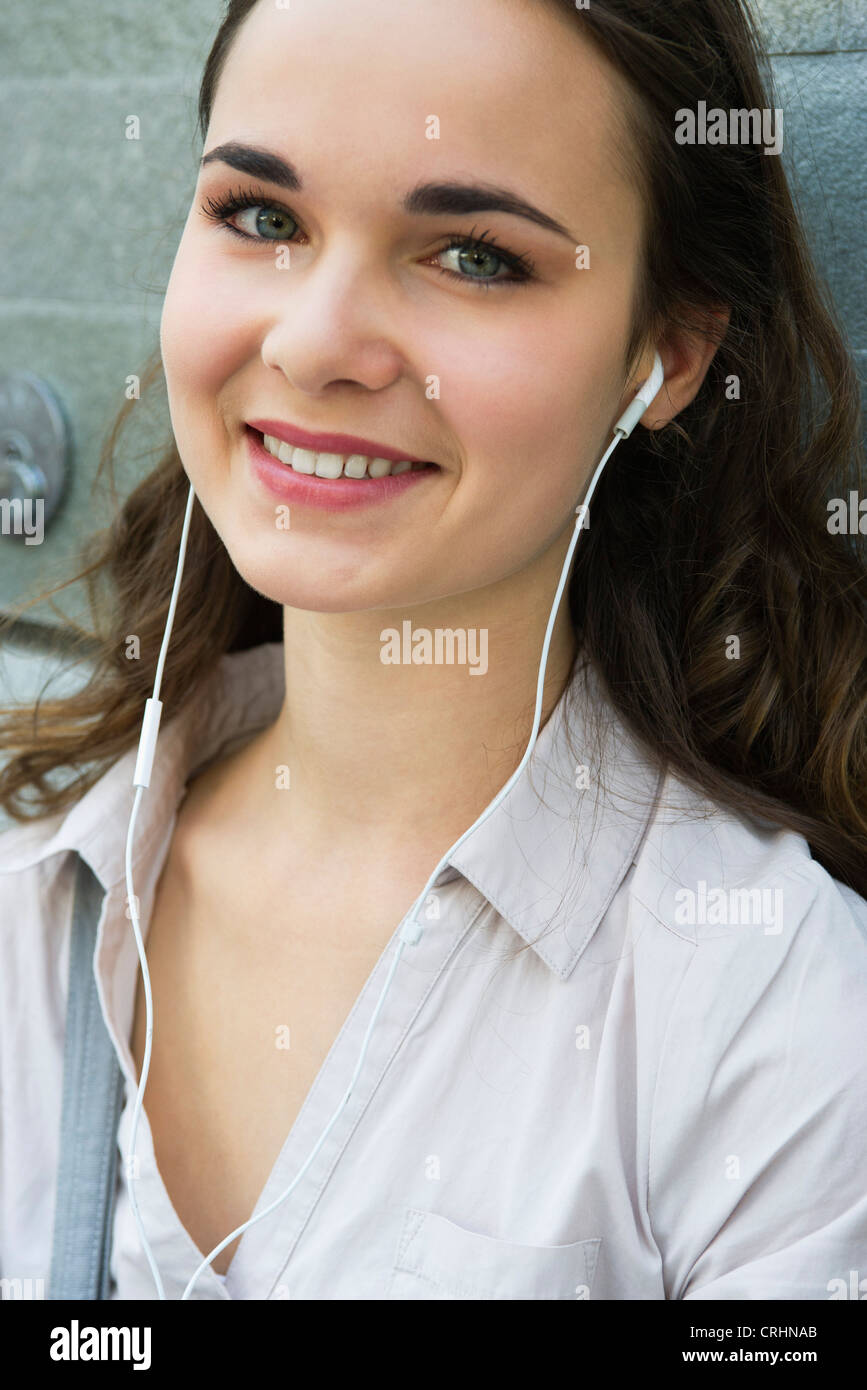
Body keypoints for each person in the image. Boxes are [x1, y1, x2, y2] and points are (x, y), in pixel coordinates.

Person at [0, 0, 865, 1301]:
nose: (312, 343)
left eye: (472, 253)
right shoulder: (33, 875)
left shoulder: (781, 1022)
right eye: (263, 217)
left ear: (667, 356)